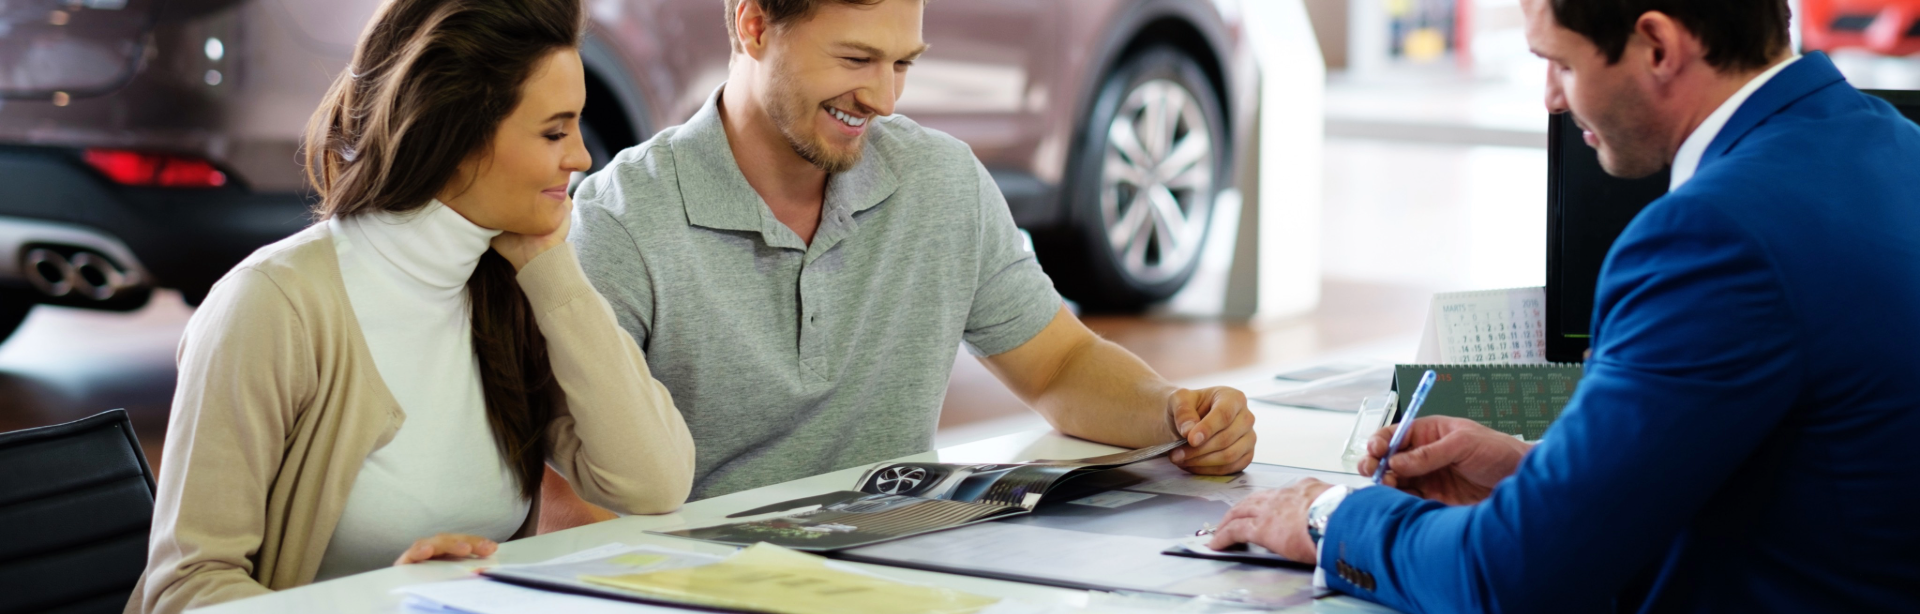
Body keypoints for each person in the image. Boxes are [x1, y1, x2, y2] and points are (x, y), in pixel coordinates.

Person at [1207, 0, 1920, 612]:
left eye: (1562, 64)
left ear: (1658, 46)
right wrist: (1537, 476)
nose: (1551, 97)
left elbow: (1510, 577)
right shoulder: (1894, 146)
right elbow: (1800, 474)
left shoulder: (1711, 235)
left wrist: (1332, 517)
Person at [567, 0, 1255, 504]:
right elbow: (572, 485)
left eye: (902, 64)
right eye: (855, 59)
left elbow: (1059, 365)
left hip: (904, 573)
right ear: (753, 26)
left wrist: (1175, 414)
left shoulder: (941, 180)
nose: (884, 99)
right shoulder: (623, 220)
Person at [128, 1, 695, 612]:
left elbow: (653, 482)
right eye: (554, 132)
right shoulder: (274, 305)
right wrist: (383, 603)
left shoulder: (507, 288)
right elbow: (183, 588)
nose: (582, 158)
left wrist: (552, 269)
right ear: (454, 135)